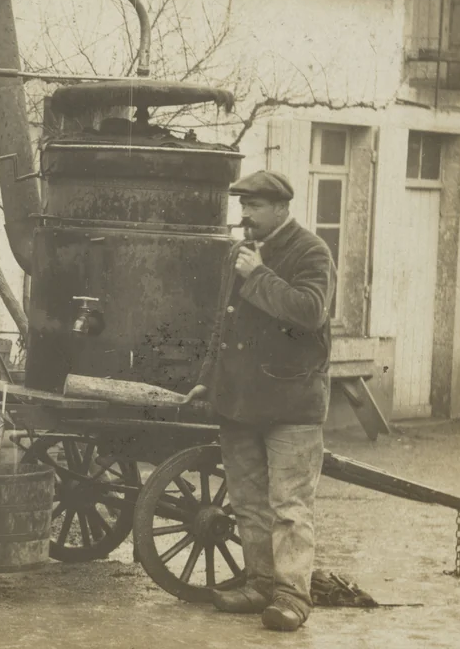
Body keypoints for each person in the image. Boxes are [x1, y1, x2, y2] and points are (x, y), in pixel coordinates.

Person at [185, 170, 336, 632]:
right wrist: (207, 380)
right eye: (243, 206)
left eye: (254, 207)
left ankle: (292, 597)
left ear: (281, 208)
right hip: (238, 401)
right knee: (249, 502)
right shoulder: (241, 252)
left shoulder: (311, 251)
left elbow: (310, 312)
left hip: (292, 403)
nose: (245, 215)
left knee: (290, 505)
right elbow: (224, 322)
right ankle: (260, 585)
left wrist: (260, 275)